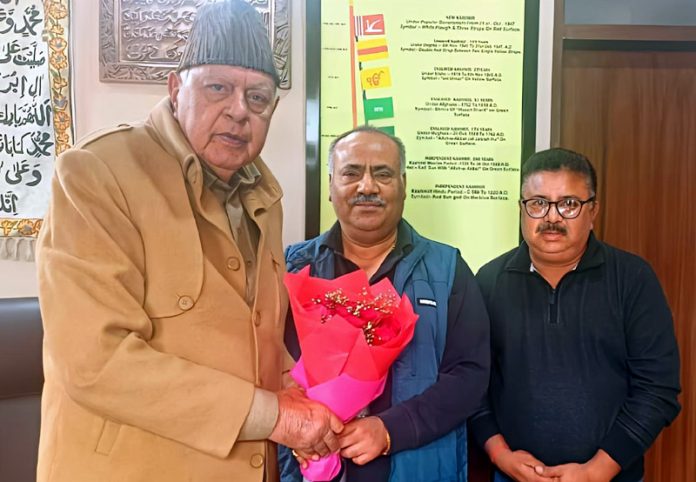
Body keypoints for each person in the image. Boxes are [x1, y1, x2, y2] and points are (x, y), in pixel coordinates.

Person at [36, 2, 342, 481]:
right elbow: (95, 361)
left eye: (258, 98)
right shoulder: (98, 173)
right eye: (218, 87)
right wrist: (279, 417)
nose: (240, 111)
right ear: (177, 88)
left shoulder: (265, 195)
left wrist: (302, 396)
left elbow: (252, 334)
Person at [279, 126, 491, 482]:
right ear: (331, 185)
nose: (367, 187)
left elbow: (471, 376)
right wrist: (291, 420)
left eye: (383, 174)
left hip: (419, 465)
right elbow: (268, 367)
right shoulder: (293, 267)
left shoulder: (447, 268)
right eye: (351, 173)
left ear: (403, 185)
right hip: (313, 465)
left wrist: (391, 430)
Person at [469, 148, 681, 482]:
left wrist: (597, 471)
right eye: (538, 203)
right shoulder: (489, 281)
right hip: (513, 476)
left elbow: (658, 389)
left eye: (569, 203)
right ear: (522, 209)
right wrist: (501, 455)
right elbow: (472, 381)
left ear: (593, 210)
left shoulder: (632, 279)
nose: (552, 217)